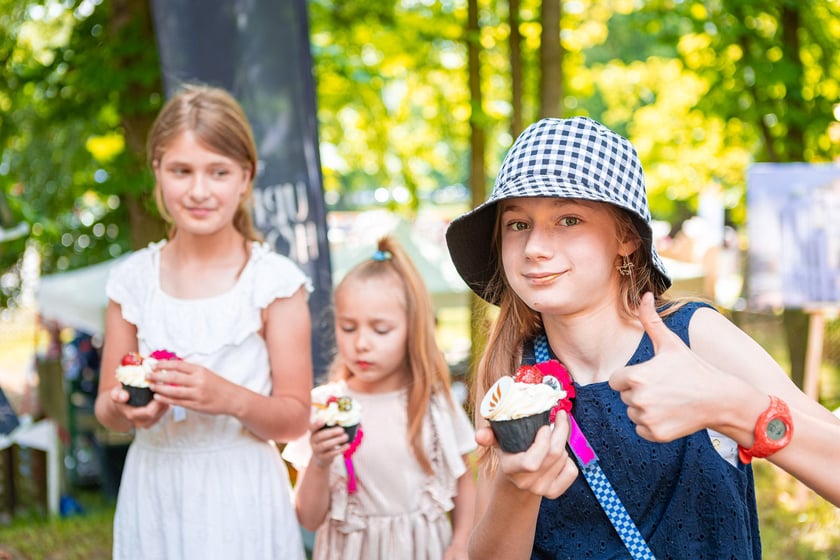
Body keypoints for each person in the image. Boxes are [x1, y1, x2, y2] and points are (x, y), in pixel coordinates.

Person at [445, 116, 840, 559]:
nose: (535, 247)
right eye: (517, 224)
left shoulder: (693, 337)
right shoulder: (511, 375)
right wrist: (517, 490)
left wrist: (733, 408)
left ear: (627, 238)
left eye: (569, 219)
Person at [94, 84, 311, 559]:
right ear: (157, 170)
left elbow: (295, 419)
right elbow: (106, 411)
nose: (198, 191)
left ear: (245, 177)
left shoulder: (274, 283)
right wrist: (126, 408)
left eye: (218, 172)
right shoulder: (131, 281)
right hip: (155, 490)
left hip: (244, 493)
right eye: (181, 171)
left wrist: (227, 397)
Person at [283, 236, 477, 560]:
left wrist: (461, 543)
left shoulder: (432, 402)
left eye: (381, 330)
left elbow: (463, 483)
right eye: (348, 328)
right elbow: (308, 518)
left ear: (412, 329)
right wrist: (319, 462)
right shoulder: (325, 407)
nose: (361, 343)